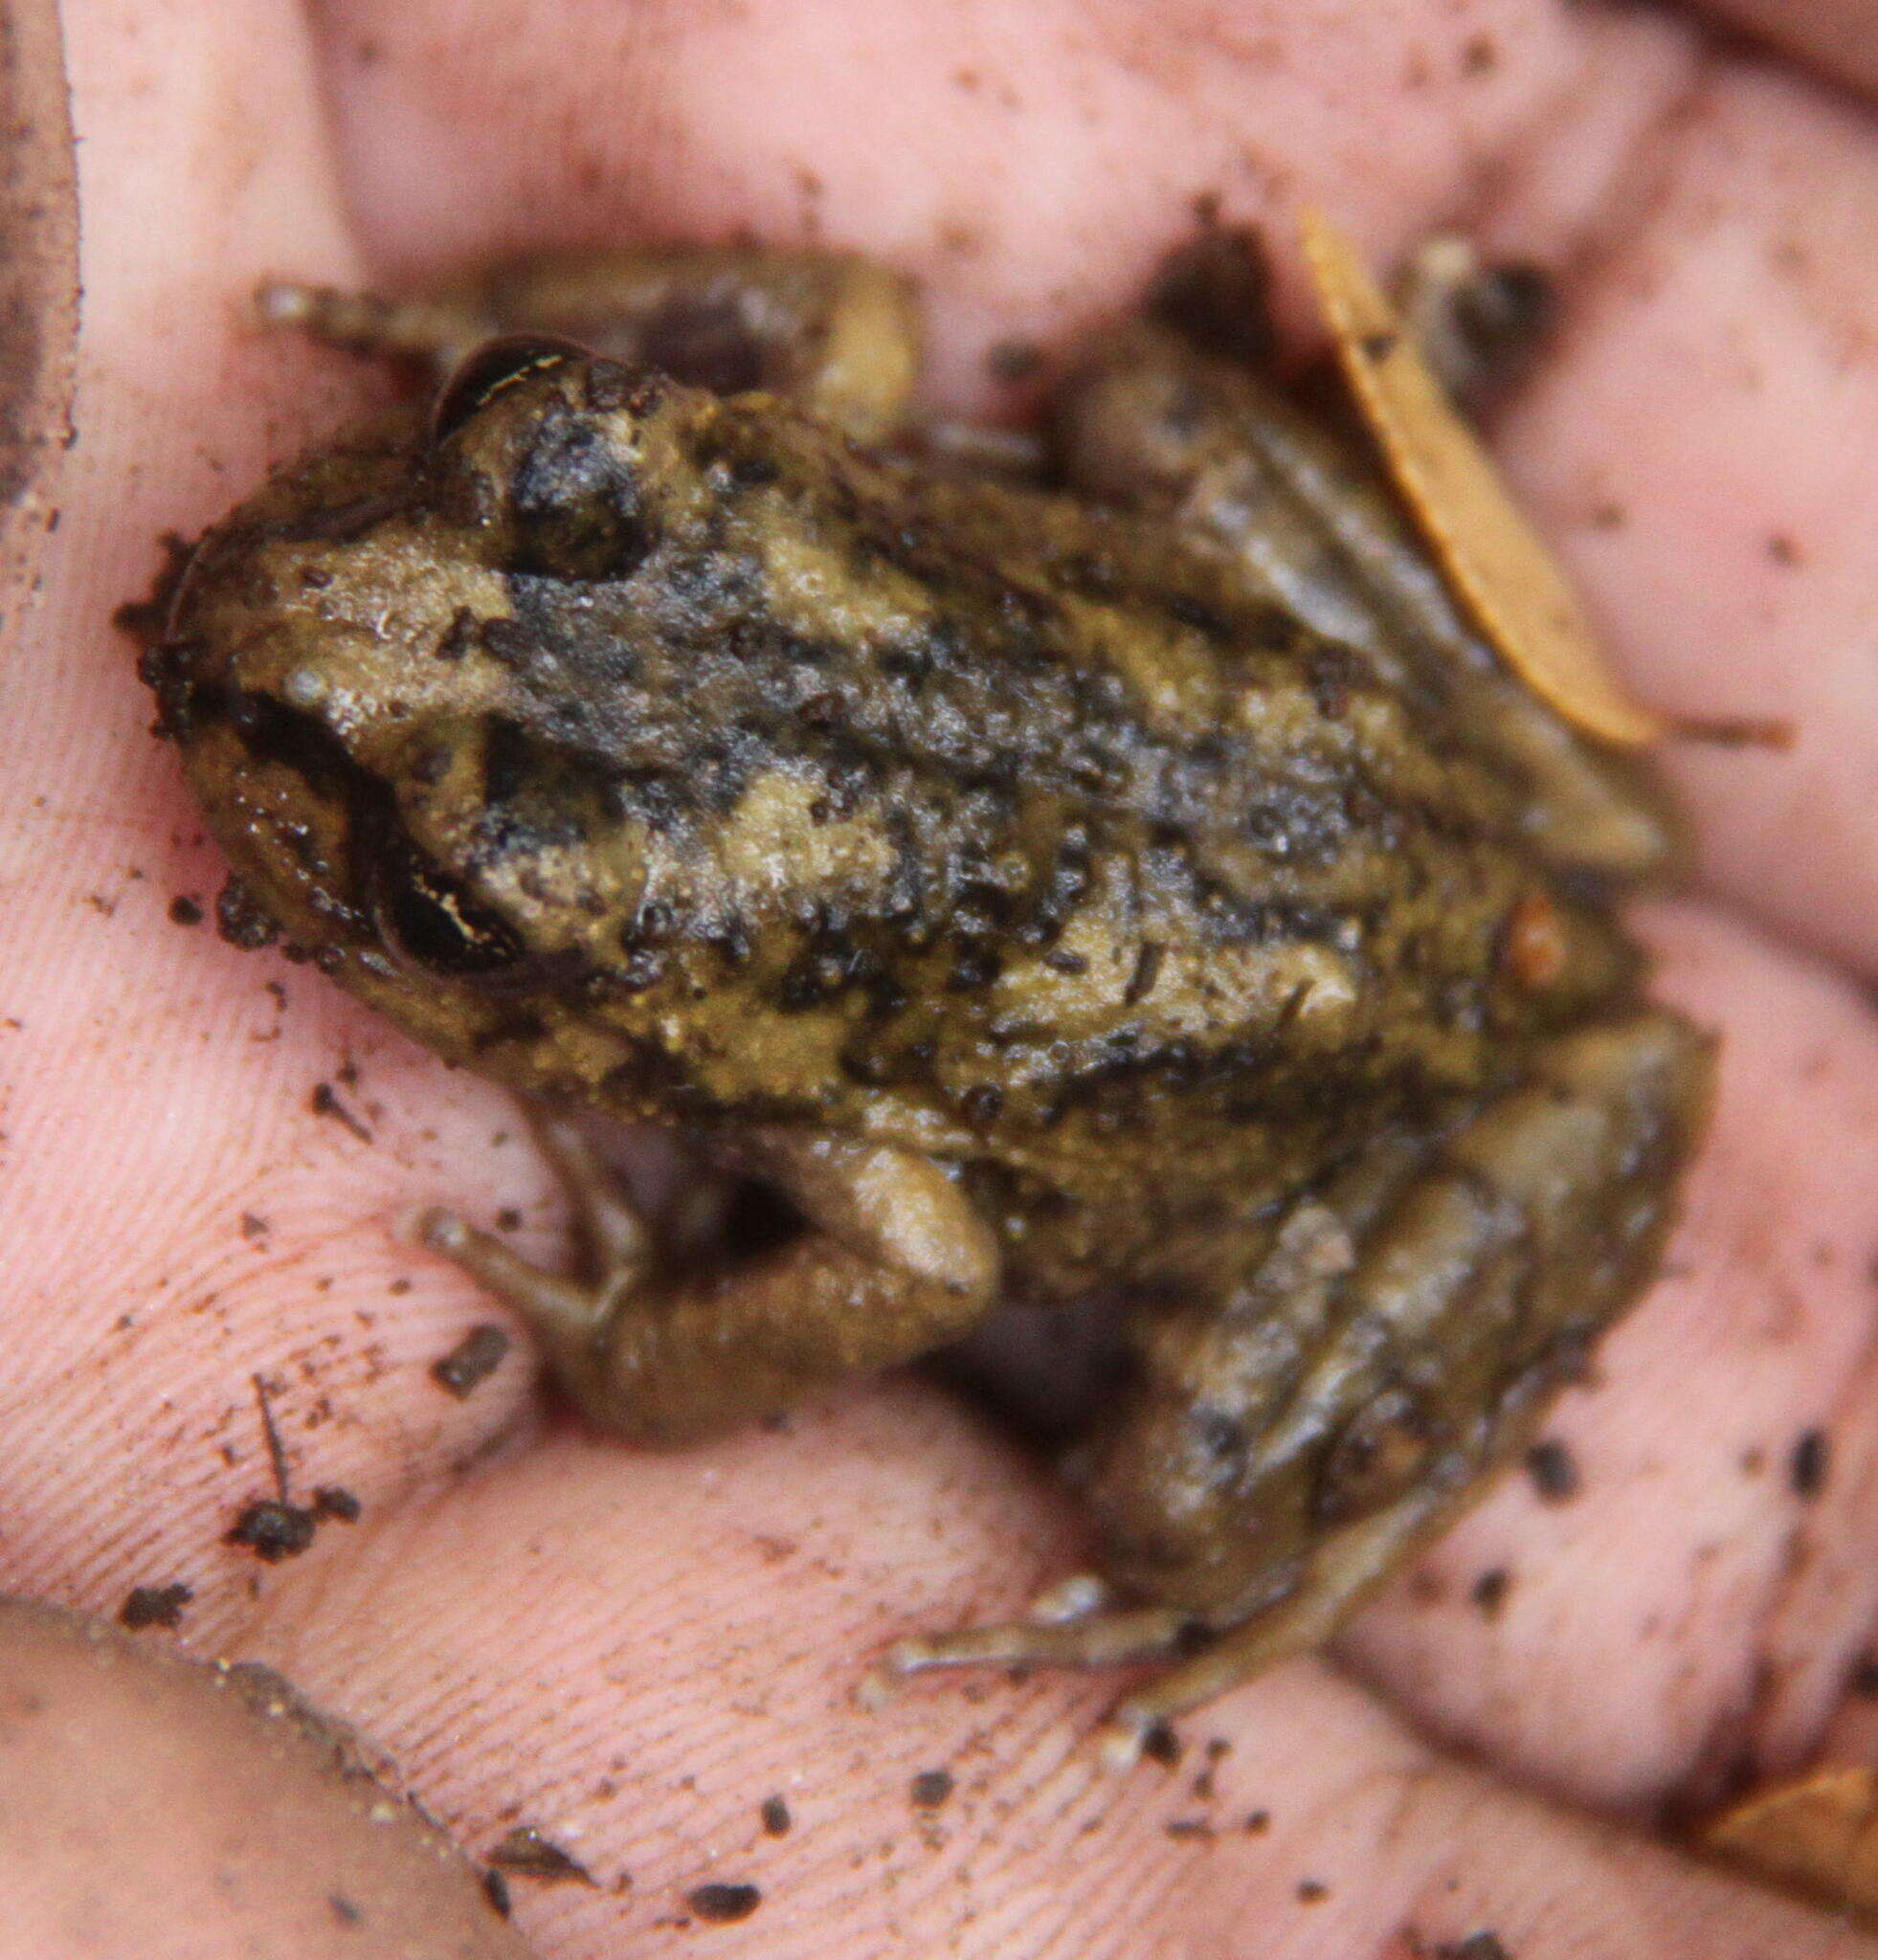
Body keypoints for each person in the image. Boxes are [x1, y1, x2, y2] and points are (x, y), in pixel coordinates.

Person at [4, 0, 1877, 1951]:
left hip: (1381, 1068)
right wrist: (470, 326)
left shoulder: (826, 1038)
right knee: (1154, 416)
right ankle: (1573, 809)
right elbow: (843, 334)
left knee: (1190, 1498)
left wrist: (641, 1358)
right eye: (521, 422)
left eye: (464, 898)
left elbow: (925, 1253)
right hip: (1367, 759)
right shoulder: (751, 452)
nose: (317, 611)